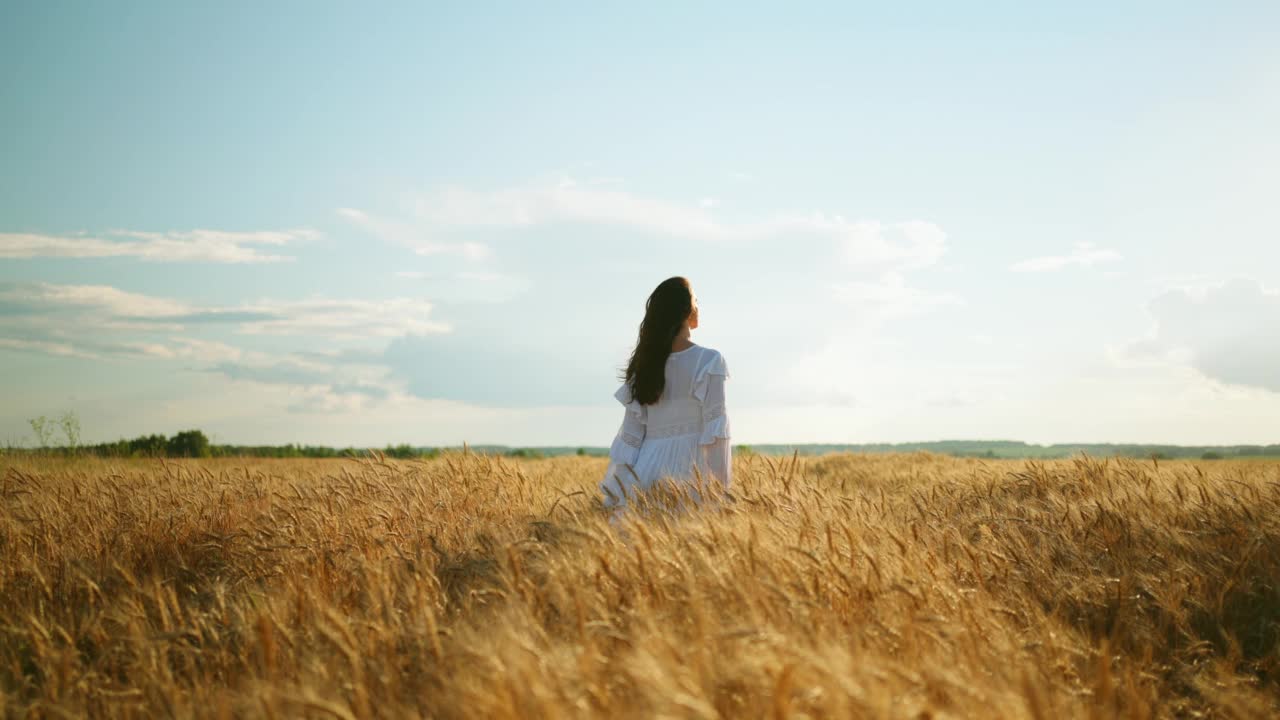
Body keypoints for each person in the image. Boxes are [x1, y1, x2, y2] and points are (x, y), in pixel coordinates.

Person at [599, 276, 731, 513]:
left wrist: (618, 495)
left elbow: (630, 439)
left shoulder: (644, 365)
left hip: (646, 475)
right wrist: (722, 489)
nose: (699, 305)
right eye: (696, 299)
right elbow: (717, 434)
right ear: (687, 309)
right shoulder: (710, 361)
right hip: (691, 474)